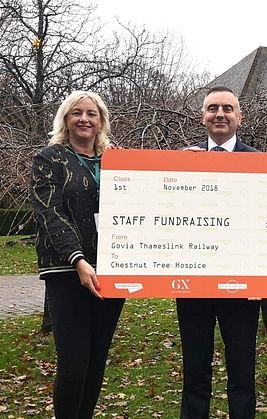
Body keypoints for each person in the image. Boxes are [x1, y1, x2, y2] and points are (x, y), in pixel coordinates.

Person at [30, 90, 125, 418]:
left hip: (111, 272)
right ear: (66, 120)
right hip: (66, 272)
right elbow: (49, 212)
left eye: (91, 114)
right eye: (76, 113)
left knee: (97, 359)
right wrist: (78, 259)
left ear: (101, 122)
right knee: (73, 362)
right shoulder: (49, 158)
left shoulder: (118, 160)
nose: (84, 119)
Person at [176, 86, 261, 419]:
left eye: (228, 108)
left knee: (242, 370)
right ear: (203, 117)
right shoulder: (183, 160)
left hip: (242, 286)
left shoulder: (258, 162)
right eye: (213, 108)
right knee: (195, 369)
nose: (220, 114)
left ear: (239, 117)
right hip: (193, 282)